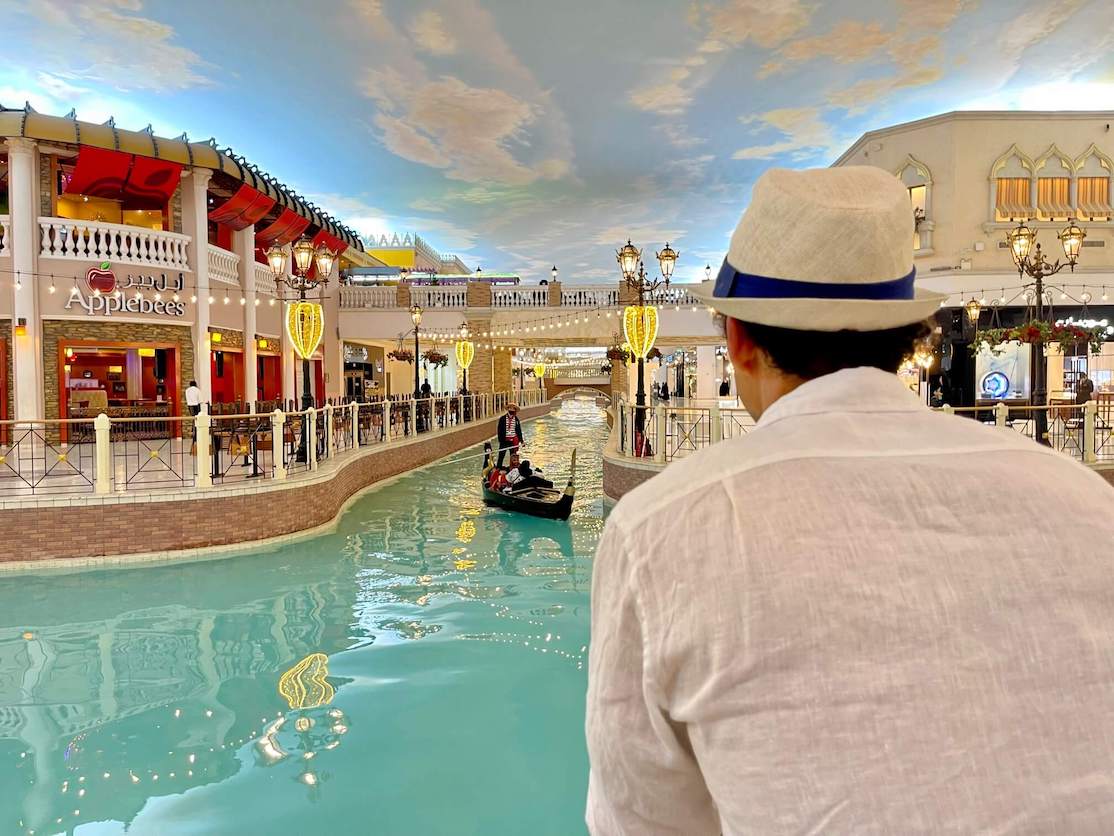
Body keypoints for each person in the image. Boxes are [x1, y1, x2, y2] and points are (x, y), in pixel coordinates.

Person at [586, 166, 1114, 834]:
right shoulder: (1084, 500)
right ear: (910, 337)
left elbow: (641, 821)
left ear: (738, 340)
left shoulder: (655, 531)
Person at [497, 402, 524, 467]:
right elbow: (499, 430)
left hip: (513, 442)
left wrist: (522, 441)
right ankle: (498, 468)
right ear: (508, 409)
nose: (512, 410)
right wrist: (501, 441)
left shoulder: (516, 419)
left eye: (513, 409)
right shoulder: (502, 419)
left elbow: (518, 431)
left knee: (513, 458)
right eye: (510, 408)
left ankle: (512, 469)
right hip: (504, 441)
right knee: (501, 456)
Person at [185, 379, 202, 447]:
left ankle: (193, 429)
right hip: (196, 405)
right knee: (197, 419)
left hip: (190, 406)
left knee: (193, 418)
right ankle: (196, 430)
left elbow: (187, 398)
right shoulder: (197, 390)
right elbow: (200, 399)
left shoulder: (187, 390)